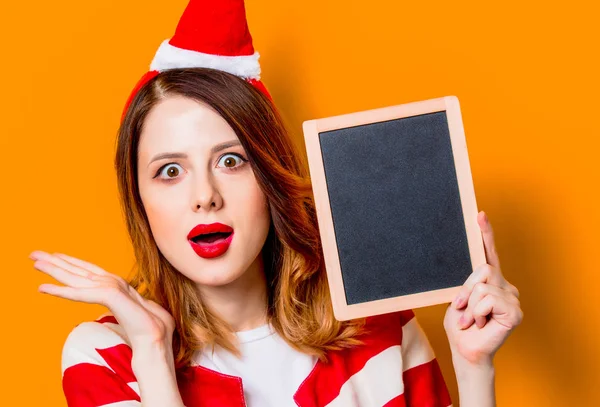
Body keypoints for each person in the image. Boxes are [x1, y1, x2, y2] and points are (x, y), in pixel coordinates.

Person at [30, 1, 523, 406]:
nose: (205, 197)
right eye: (170, 171)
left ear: (271, 177)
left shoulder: (380, 330)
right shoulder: (107, 355)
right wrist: (154, 352)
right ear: (139, 200)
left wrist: (474, 368)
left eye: (231, 161)